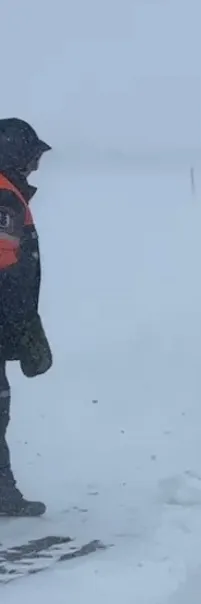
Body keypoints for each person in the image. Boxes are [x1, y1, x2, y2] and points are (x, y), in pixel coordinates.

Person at [0, 118, 53, 517]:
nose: (35, 166)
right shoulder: (4, 198)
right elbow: (4, 267)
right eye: (32, 157)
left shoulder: (10, 193)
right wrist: (18, 323)